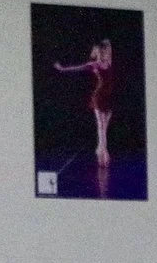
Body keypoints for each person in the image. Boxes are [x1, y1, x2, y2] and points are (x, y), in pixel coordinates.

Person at [50, 35, 116, 170]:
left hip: (109, 97)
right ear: (97, 53)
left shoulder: (108, 62)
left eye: (104, 52)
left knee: (104, 127)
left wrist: (105, 44)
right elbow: (77, 68)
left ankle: (99, 148)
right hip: (98, 97)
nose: (102, 54)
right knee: (101, 126)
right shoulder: (93, 65)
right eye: (100, 52)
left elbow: (109, 46)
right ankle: (103, 153)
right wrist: (62, 69)